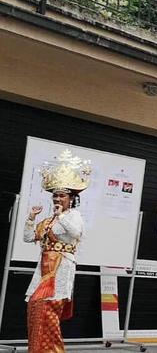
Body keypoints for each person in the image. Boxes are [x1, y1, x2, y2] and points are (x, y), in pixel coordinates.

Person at [23, 149, 91, 353]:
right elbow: (28, 237)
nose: (57, 199)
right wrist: (31, 218)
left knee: (49, 311)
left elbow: (76, 233)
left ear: (71, 198)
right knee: (35, 308)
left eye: (61, 196)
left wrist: (61, 216)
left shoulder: (73, 216)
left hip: (60, 270)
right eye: (55, 196)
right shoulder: (48, 220)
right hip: (43, 272)